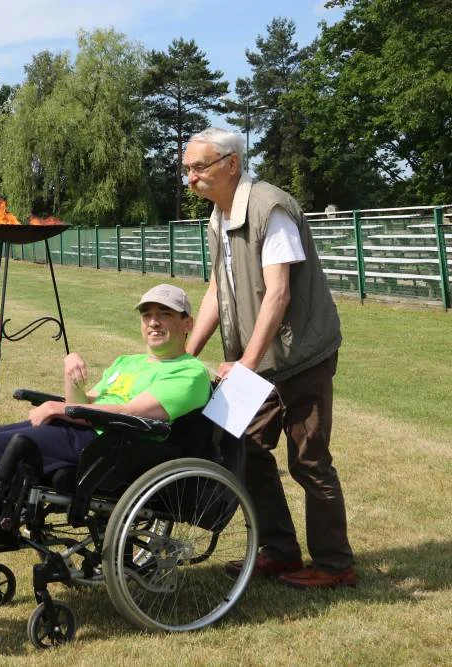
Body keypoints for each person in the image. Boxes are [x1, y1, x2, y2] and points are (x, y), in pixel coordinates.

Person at [0, 284, 211, 588]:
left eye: (165, 314)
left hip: (110, 448)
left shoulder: (189, 372)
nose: (154, 322)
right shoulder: (127, 362)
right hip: (83, 430)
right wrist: (70, 375)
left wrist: (59, 408)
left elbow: (132, 413)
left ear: (187, 323)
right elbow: (80, 404)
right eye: (147, 315)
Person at [182, 127, 355, 589]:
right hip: (256, 359)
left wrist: (245, 365)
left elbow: (278, 293)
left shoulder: (270, 207)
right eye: (186, 170)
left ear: (231, 164)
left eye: (199, 168)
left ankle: (335, 564)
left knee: (309, 461)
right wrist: (183, 355)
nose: (190, 179)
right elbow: (218, 290)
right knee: (244, 450)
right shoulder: (219, 217)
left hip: (300, 356)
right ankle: (278, 551)